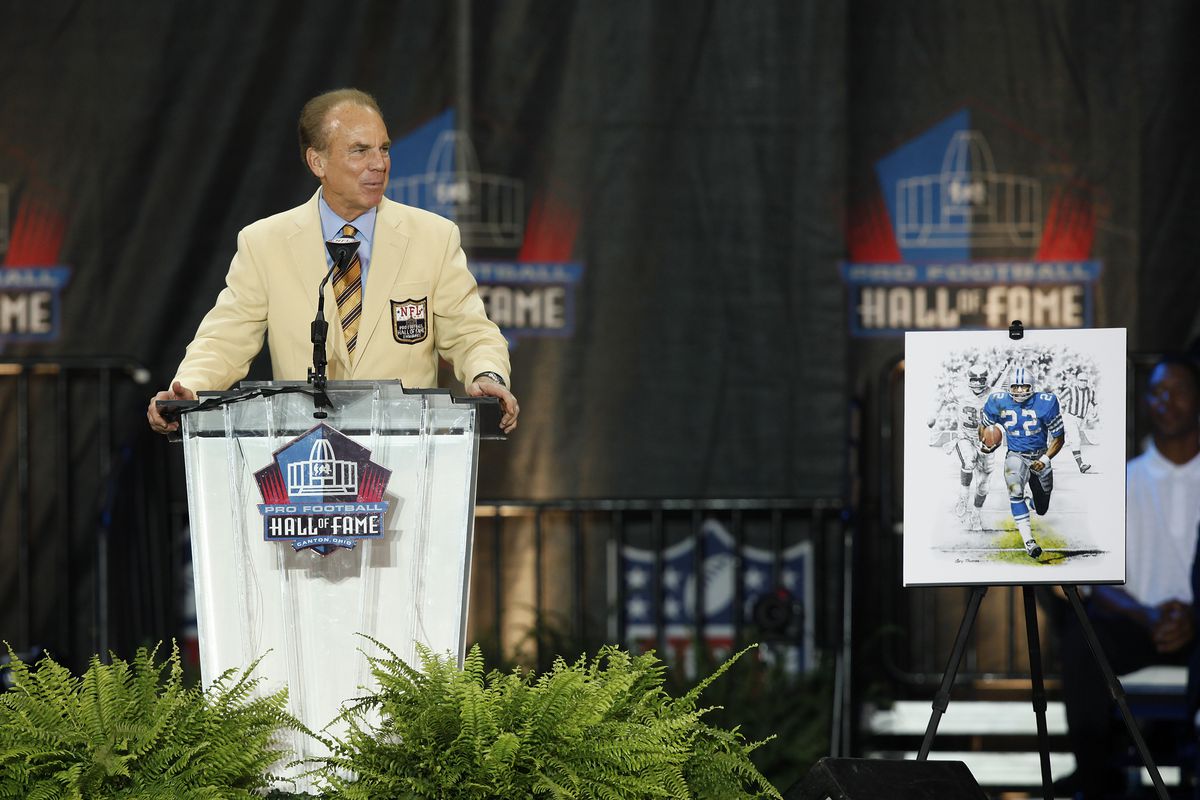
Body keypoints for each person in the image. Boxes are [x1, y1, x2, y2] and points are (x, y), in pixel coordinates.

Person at [146, 88, 518, 434]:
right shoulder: (265, 243)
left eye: (384, 149)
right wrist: (190, 389)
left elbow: (471, 332)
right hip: (306, 458)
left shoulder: (434, 238)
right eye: (360, 151)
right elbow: (224, 339)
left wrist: (489, 375)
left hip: (406, 450)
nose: (379, 164)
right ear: (317, 161)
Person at [1056, 356, 1200, 800]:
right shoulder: (1122, 480)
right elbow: (1093, 585)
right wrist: (1146, 615)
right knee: (1082, 644)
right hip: (1138, 624)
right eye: (1156, 391)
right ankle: (1096, 781)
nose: (1165, 401)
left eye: (1176, 390)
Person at [980, 364, 1064, 559]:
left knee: (1042, 508)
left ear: (1031, 386)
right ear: (1009, 387)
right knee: (1015, 491)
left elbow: (1059, 438)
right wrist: (985, 443)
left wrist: (1044, 459)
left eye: (1023, 386)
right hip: (1015, 454)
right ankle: (1029, 541)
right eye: (1015, 387)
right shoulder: (997, 401)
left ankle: (1031, 502)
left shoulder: (1046, 403)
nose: (1018, 391)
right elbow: (983, 426)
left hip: (1040, 454)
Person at [1058, 366, 1097, 473]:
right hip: (1070, 417)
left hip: (1080, 420)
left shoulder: (1090, 392)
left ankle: (1042, 459)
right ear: (1077, 381)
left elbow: (1094, 402)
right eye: (1081, 380)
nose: (1083, 382)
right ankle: (1081, 465)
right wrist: (1061, 408)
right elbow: (1058, 399)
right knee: (1076, 440)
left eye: (1085, 380)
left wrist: (1094, 410)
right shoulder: (1070, 390)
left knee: (1062, 442)